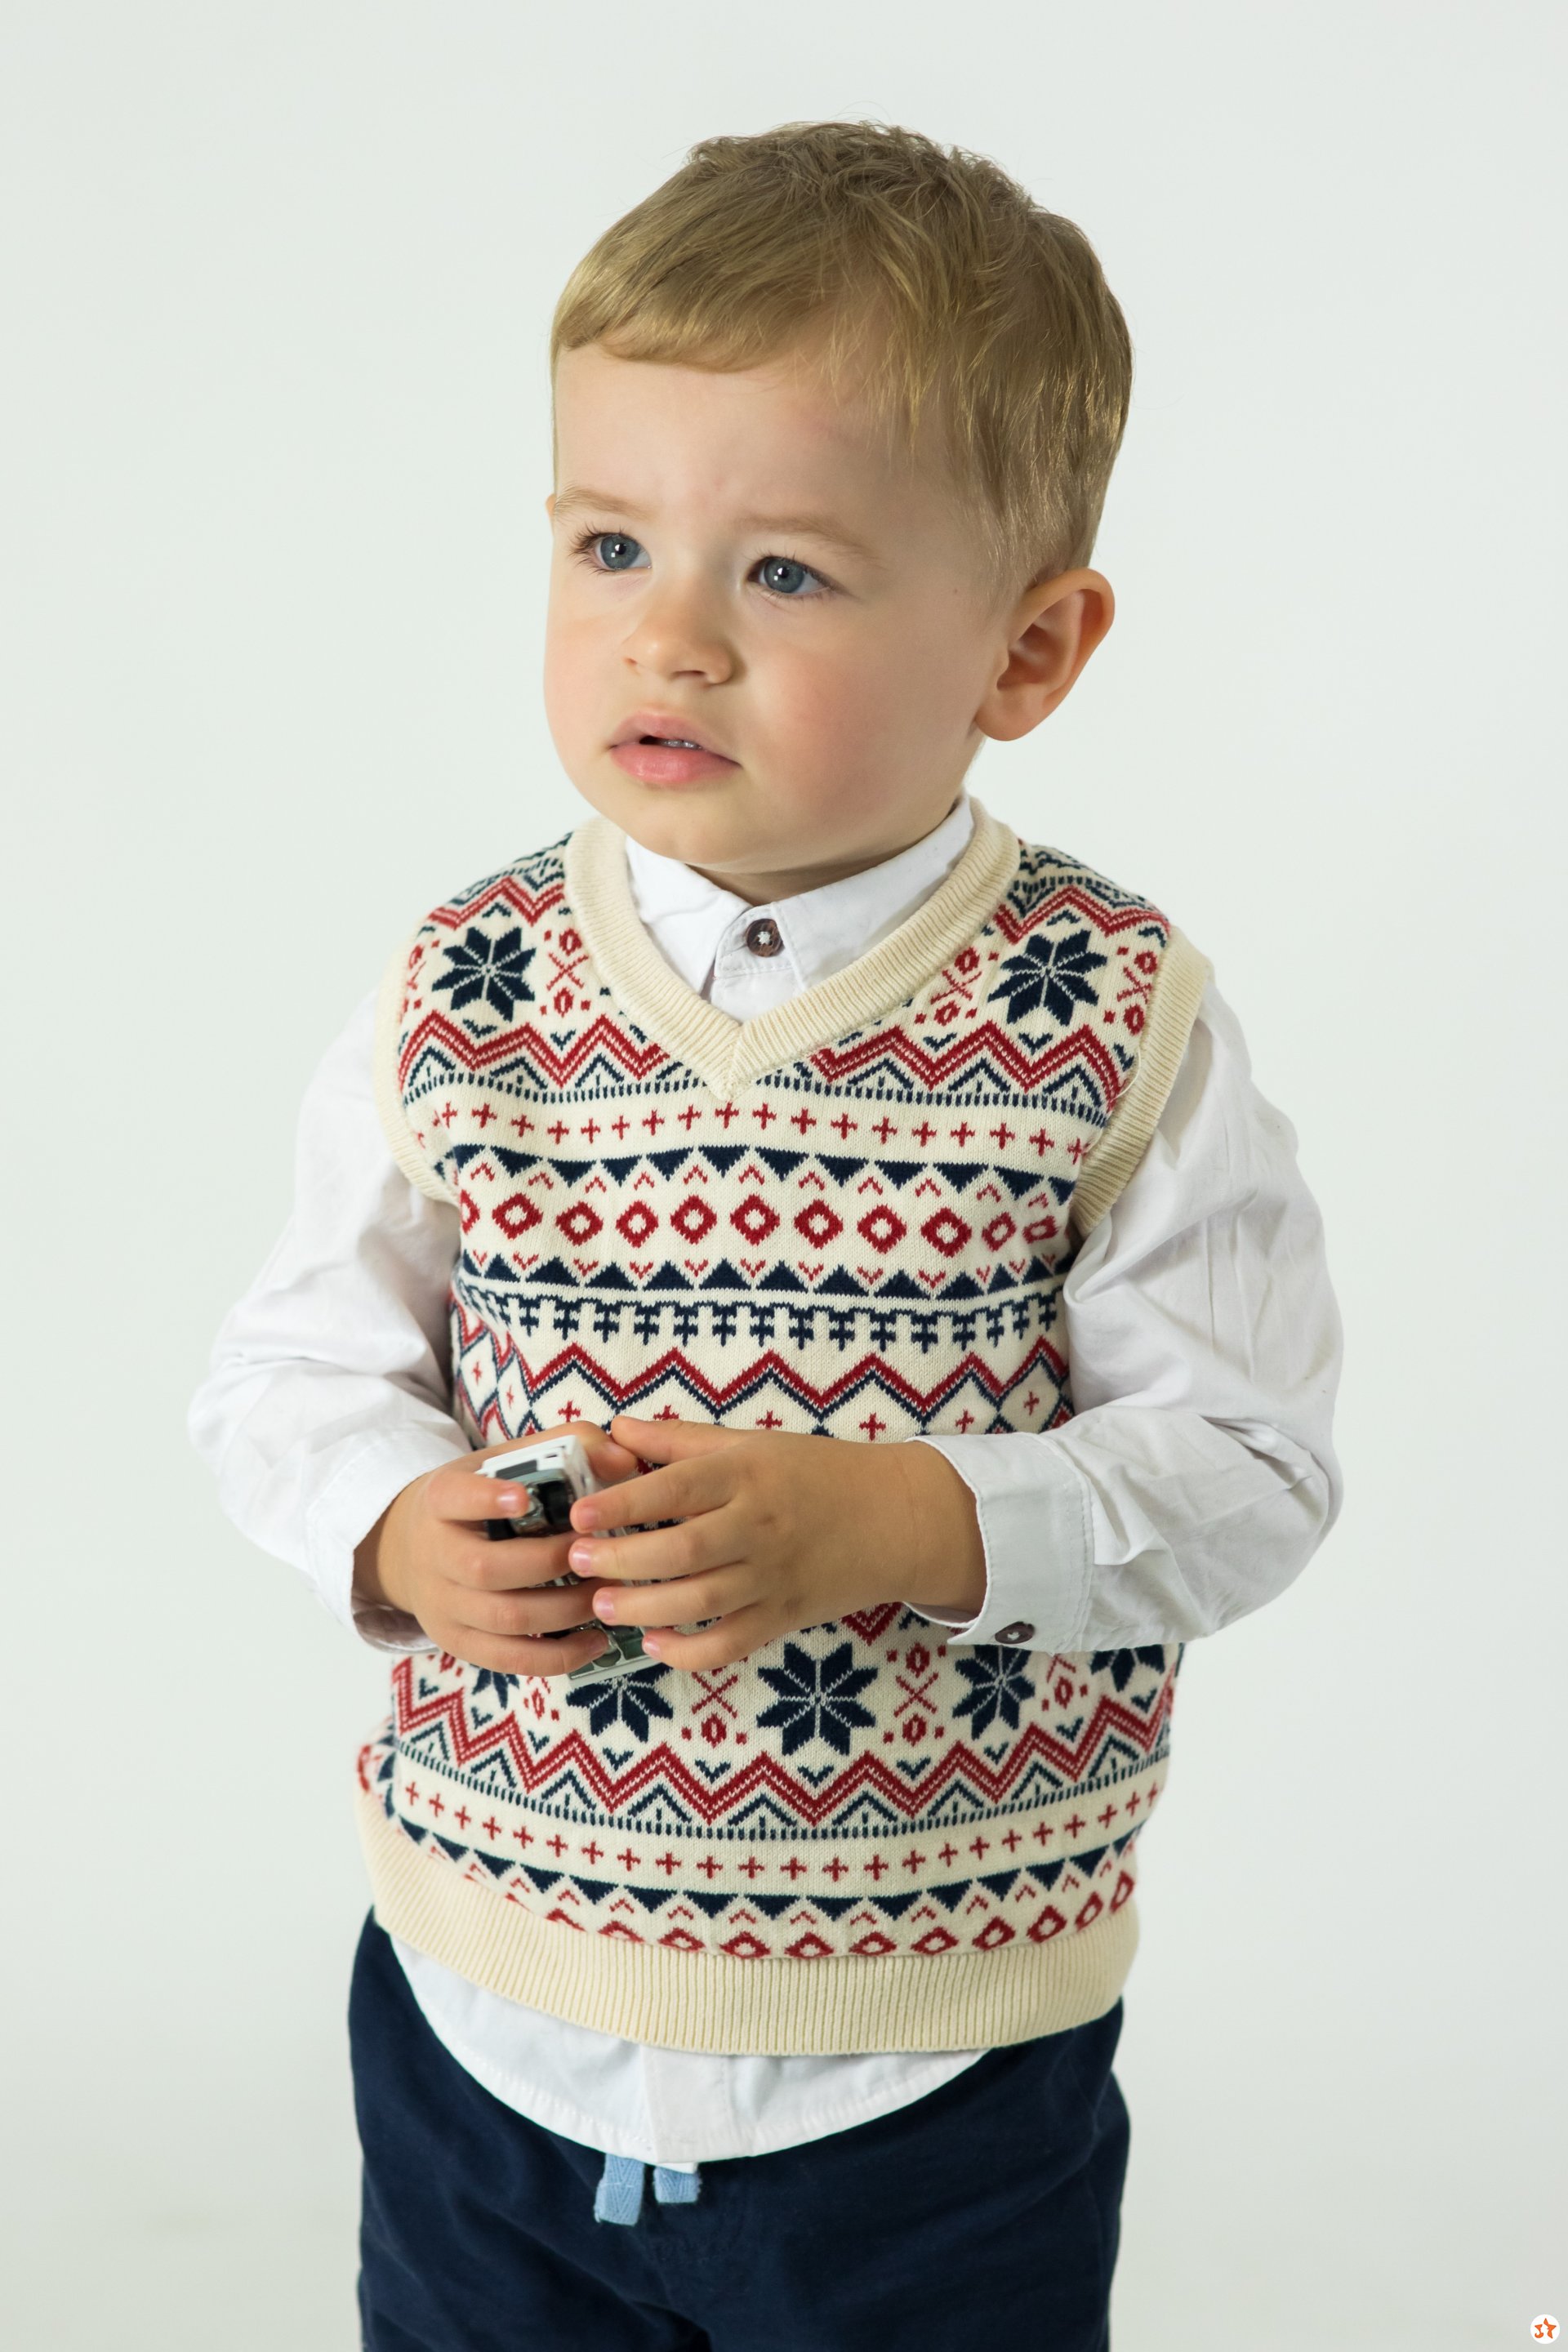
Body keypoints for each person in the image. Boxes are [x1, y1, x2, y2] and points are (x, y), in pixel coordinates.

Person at [190, 119, 1343, 2351]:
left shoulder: (1109, 1023)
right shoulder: (467, 991)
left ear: (1029, 648)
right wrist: (396, 1525)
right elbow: (290, 1374)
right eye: (610, 542)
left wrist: (895, 1518)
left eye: (787, 572)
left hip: (932, 2074)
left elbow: (1249, 1475)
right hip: (486, 2022)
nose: (670, 635)